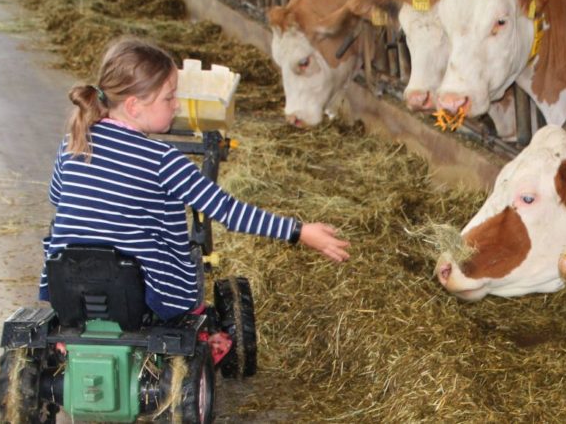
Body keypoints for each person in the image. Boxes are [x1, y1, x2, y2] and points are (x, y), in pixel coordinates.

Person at [41, 37, 350, 320]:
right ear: (134, 106)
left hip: (67, 288)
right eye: (169, 97)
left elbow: (57, 196)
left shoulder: (74, 141)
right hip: (143, 297)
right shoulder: (163, 159)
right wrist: (299, 231)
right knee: (179, 255)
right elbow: (228, 211)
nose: (176, 105)